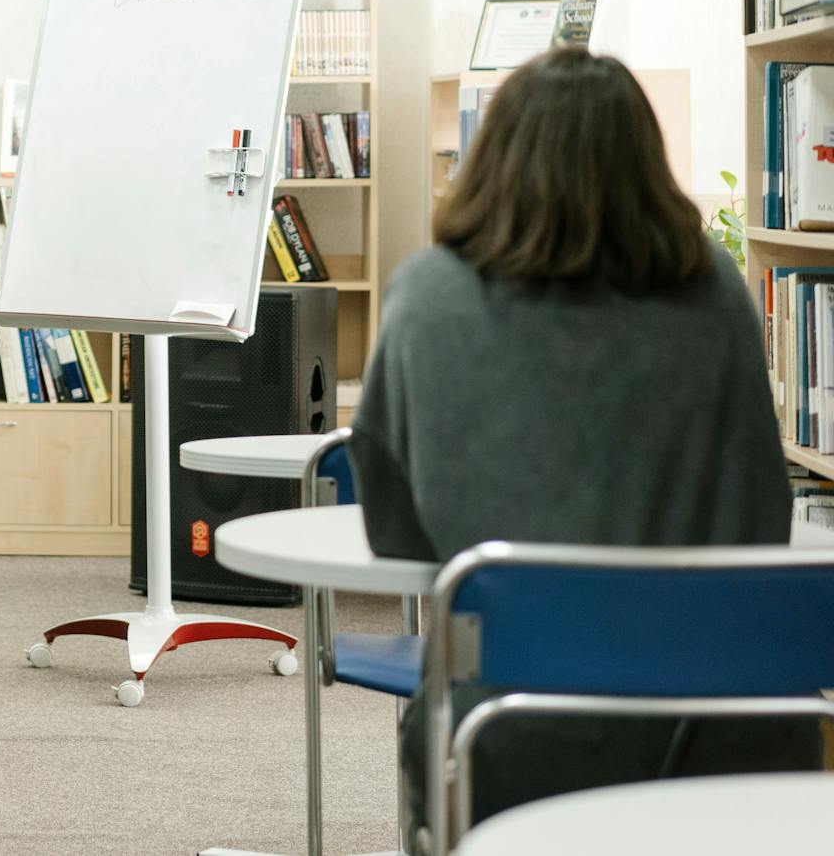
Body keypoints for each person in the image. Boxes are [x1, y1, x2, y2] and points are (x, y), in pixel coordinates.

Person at [347, 47, 818, 834]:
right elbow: (759, 515)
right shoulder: (717, 290)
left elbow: (395, 535)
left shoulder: (427, 297)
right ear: (646, 163)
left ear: (492, 155)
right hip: (730, 738)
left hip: (513, 738)